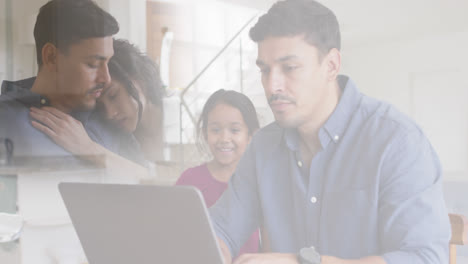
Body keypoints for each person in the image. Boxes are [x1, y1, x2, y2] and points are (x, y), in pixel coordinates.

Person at [209, 0, 451, 264]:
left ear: (332, 65)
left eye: (289, 68)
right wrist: (212, 249)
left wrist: (300, 262)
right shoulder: (263, 147)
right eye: (264, 70)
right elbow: (220, 231)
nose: (271, 85)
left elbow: (424, 258)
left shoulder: (397, 141)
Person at [29, 39, 165, 167]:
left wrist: (87, 147)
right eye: (101, 106)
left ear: (139, 80)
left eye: (113, 95)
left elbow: (157, 179)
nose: (110, 114)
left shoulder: (180, 120)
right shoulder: (115, 134)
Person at [176, 89, 260, 259]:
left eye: (234, 130)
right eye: (215, 130)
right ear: (205, 133)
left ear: (251, 135)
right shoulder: (189, 180)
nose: (224, 138)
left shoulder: (260, 182)